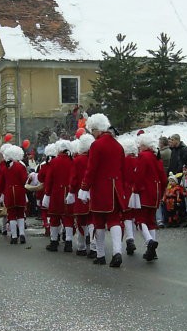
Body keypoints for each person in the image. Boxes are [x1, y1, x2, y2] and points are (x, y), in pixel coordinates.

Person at [79, 113, 127, 267]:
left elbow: (91, 169)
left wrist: (84, 187)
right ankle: (117, 252)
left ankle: (100, 255)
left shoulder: (97, 145)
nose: (92, 134)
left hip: (101, 189)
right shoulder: (118, 145)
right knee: (114, 220)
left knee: (98, 222)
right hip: (116, 188)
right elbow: (123, 170)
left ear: (97, 130)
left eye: (92, 131)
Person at [132, 133, 168, 260]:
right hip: (156, 192)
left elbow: (139, 175)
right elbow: (163, 178)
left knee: (140, 219)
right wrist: (162, 192)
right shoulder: (156, 157)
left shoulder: (143, 156)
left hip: (144, 192)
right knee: (151, 221)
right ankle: (152, 251)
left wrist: (135, 190)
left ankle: (149, 241)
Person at [44, 140, 75, 251]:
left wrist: (47, 194)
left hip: (56, 193)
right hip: (69, 192)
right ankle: (68, 242)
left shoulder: (54, 162)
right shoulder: (73, 161)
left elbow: (49, 180)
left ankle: (54, 241)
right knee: (68, 218)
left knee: (54, 217)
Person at [68, 134, 95, 256]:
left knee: (81, 220)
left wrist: (71, 192)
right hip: (94, 193)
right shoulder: (94, 159)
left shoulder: (77, 160)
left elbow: (73, 179)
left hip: (80, 192)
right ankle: (94, 247)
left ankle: (81, 246)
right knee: (93, 221)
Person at [0, 145, 29, 244]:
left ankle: (14, 236)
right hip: (20, 192)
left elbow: (1, 183)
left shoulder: (4, 168)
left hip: (9, 193)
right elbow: (24, 180)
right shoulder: (21, 167)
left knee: (11, 215)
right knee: (20, 214)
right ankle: (22, 234)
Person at [156, 136, 171, 227]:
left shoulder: (163, 153)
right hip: (165, 174)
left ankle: (161, 219)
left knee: (162, 198)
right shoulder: (168, 151)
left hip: (164, 174)